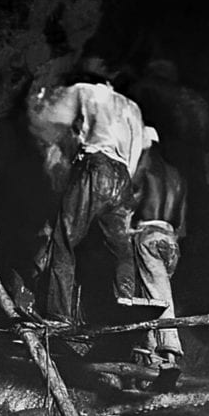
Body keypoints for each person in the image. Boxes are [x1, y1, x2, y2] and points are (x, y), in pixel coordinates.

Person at [31, 72, 147, 322]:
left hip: (96, 167)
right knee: (121, 247)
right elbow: (137, 150)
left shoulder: (87, 91)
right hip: (123, 177)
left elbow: (48, 116)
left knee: (64, 240)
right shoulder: (132, 107)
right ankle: (126, 296)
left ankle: (57, 314)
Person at [130, 128, 187, 390]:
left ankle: (170, 354)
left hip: (148, 234)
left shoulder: (142, 167)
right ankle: (152, 361)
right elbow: (182, 224)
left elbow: (128, 203)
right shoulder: (177, 175)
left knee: (158, 299)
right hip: (171, 240)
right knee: (155, 295)